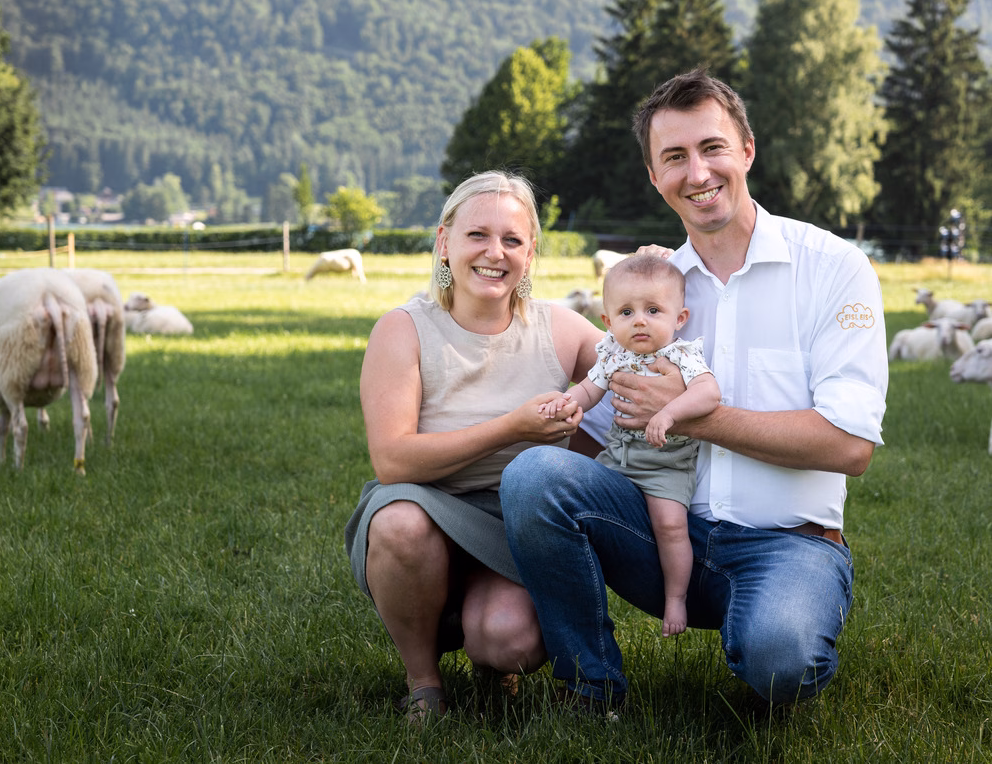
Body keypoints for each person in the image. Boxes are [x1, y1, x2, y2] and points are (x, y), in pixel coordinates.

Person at [500, 68, 888, 710]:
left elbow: (851, 446)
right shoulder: (650, 292)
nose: (698, 172)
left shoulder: (832, 268)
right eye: (674, 157)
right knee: (536, 474)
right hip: (661, 528)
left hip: (787, 541)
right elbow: (593, 434)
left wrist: (691, 418)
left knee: (779, 659)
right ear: (655, 177)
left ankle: (765, 631)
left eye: (712, 148)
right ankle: (591, 686)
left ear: (747, 151)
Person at [344, 170, 602, 721]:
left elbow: (638, 360)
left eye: (512, 240)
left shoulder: (562, 329)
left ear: (530, 254)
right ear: (444, 242)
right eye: (477, 235)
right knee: (400, 523)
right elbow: (392, 461)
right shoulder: (403, 329)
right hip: (424, 510)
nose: (495, 253)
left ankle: (492, 653)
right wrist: (512, 428)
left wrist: (655, 273)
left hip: (516, 524)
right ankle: (424, 684)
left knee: (509, 639)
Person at [537, 252, 719, 638]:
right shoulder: (612, 354)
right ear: (607, 321)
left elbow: (708, 393)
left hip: (666, 464)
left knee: (670, 525)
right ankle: (583, 602)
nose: (640, 320)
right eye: (626, 312)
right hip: (617, 455)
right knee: (576, 506)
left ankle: (675, 597)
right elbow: (589, 389)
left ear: (679, 318)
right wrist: (568, 402)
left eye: (654, 310)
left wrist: (670, 413)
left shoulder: (681, 354)